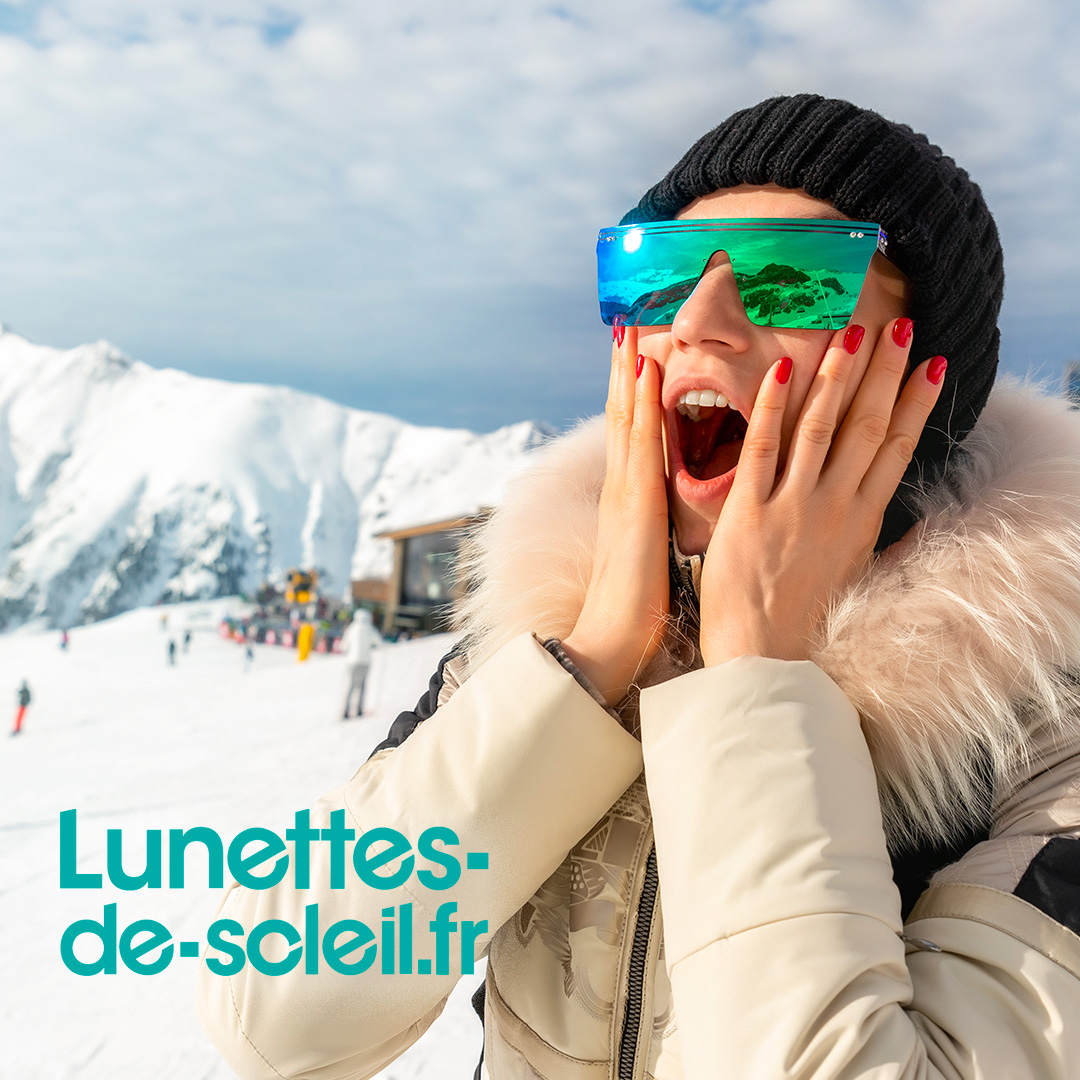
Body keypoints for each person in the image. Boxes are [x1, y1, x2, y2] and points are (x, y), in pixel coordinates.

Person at [196, 95, 1080, 1078]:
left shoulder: (1048, 716)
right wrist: (593, 655)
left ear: (926, 379)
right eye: (656, 279)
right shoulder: (534, 636)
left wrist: (757, 680)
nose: (697, 325)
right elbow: (273, 1022)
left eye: (794, 281)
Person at [339, 608, 381, 718]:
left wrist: (347, 652)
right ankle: (359, 709)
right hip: (365, 662)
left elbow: (344, 645)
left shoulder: (352, 628)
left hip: (352, 661)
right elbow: (378, 642)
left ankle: (346, 710)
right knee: (362, 686)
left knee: (351, 685)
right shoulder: (369, 628)